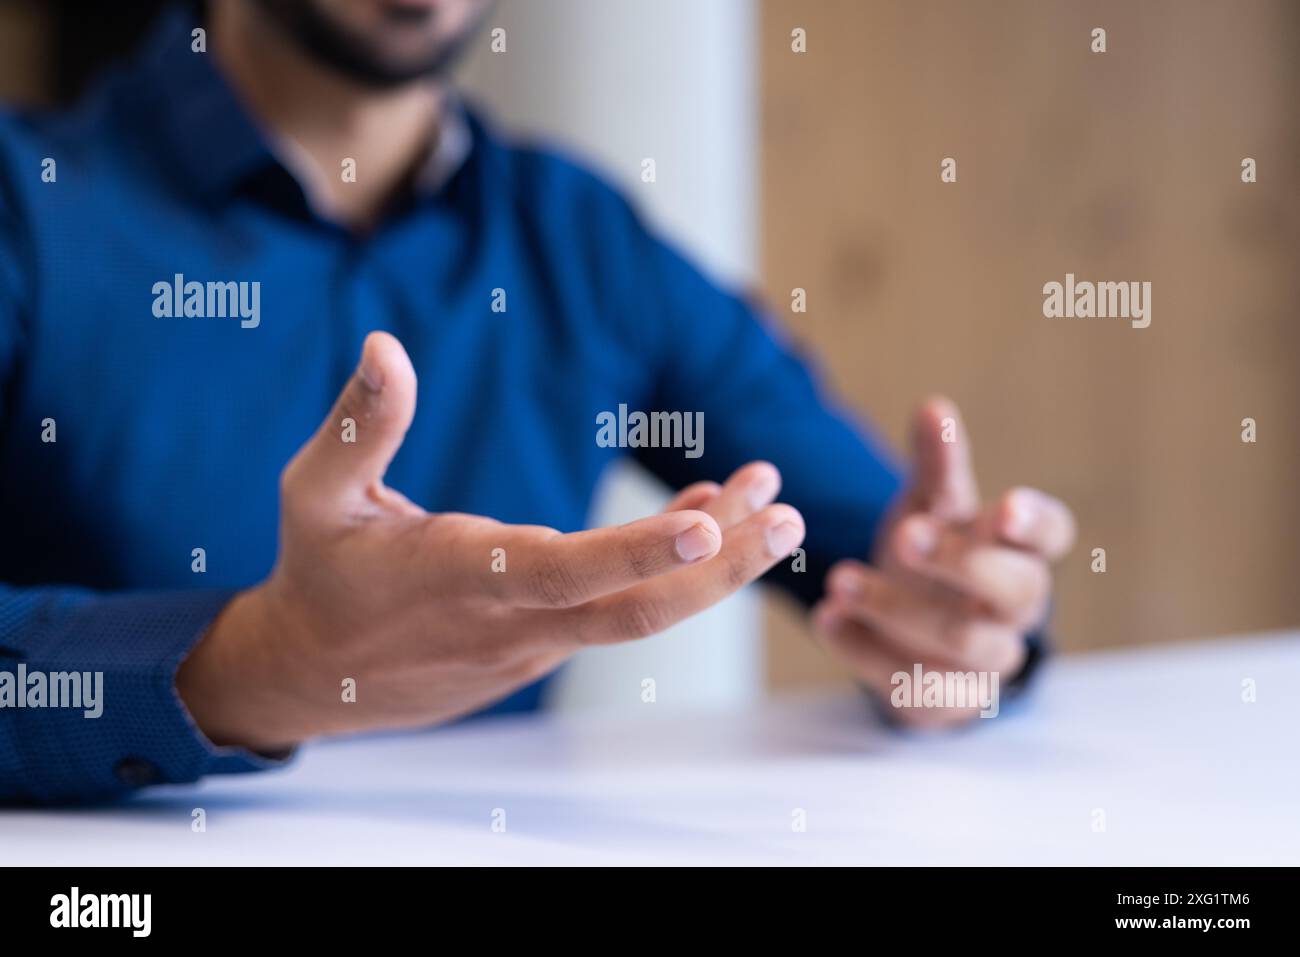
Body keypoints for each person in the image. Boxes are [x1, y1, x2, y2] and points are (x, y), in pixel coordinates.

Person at [0, 0, 1075, 804]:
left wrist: (964, 625)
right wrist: (242, 668)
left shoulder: (577, 235)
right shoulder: (26, 209)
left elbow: (883, 550)